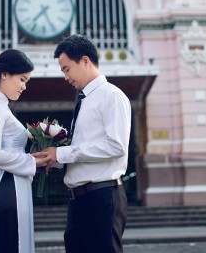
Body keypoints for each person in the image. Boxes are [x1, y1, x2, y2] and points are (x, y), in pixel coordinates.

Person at [33, 34, 131, 253]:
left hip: (102, 196)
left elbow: (116, 146)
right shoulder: (84, 100)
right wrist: (53, 159)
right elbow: (84, 152)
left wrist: (63, 154)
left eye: (66, 69)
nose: (65, 77)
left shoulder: (112, 96)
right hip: (79, 199)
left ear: (85, 61)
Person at [0, 49, 46, 253]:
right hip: (5, 194)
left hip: (12, 190)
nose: (24, 87)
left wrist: (34, 158)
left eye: (26, 81)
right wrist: (33, 162)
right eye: (22, 79)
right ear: (4, 74)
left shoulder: (0, 106)